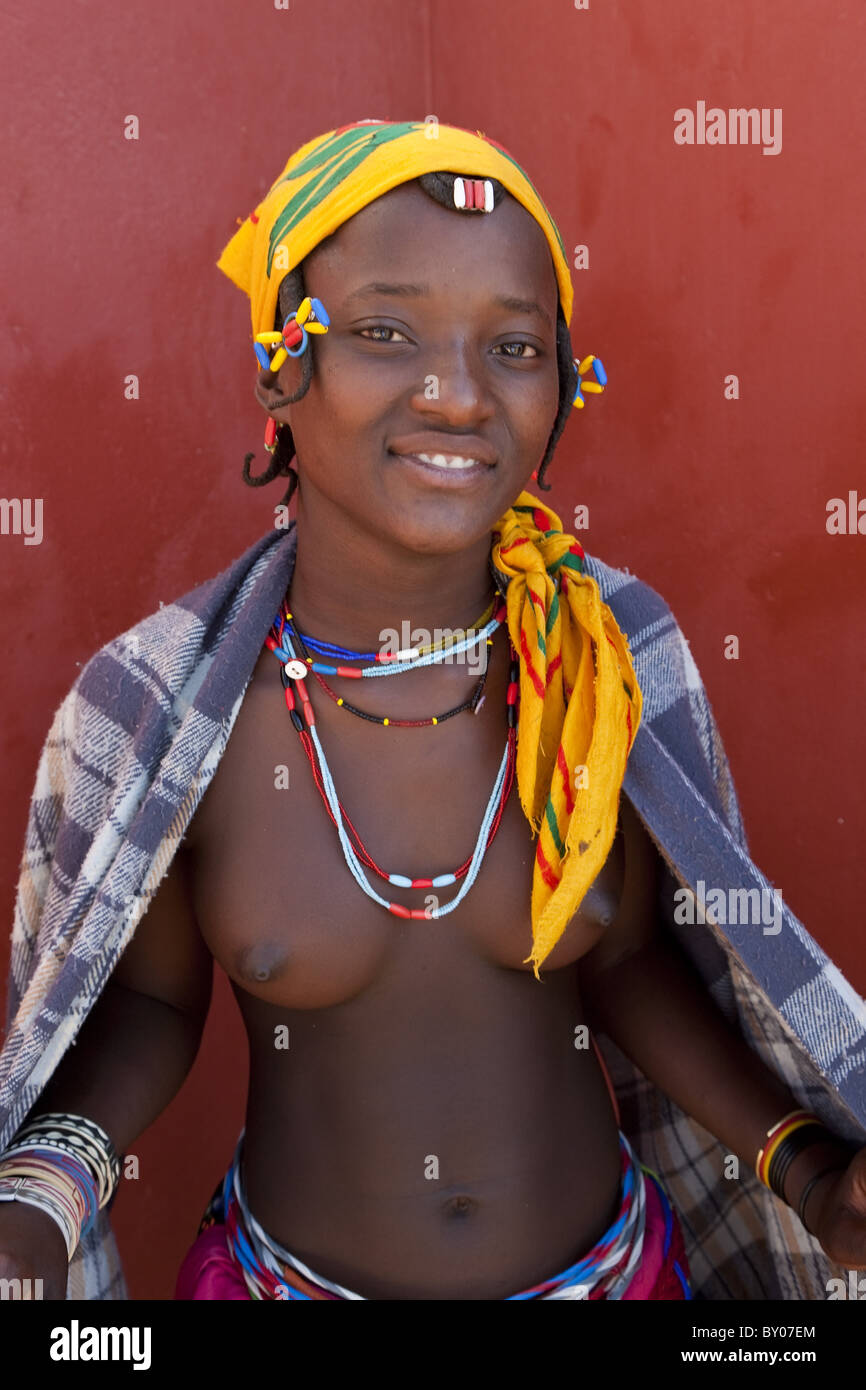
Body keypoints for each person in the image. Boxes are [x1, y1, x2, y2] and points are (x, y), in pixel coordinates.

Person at [1, 119, 864, 1302]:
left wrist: (807, 1168)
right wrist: (40, 1196)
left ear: (563, 386)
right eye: (382, 332)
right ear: (279, 369)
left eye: (512, 345)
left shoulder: (601, 667)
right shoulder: (164, 714)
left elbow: (629, 964)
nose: (456, 394)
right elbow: (148, 1000)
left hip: (618, 1280)